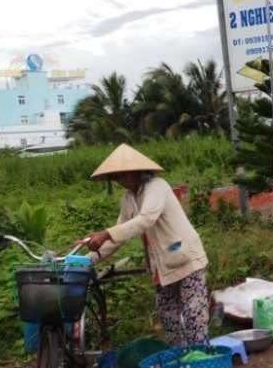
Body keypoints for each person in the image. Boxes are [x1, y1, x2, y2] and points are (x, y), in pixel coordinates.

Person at [86, 144, 209, 347]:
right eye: (117, 177)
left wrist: (106, 234)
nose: (121, 180)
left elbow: (145, 220)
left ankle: (201, 366)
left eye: (124, 174)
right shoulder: (128, 199)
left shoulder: (157, 186)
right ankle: (180, 366)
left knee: (195, 319)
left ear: (137, 171)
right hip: (162, 268)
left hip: (187, 261)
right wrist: (87, 259)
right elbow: (120, 234)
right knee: (169, 322)